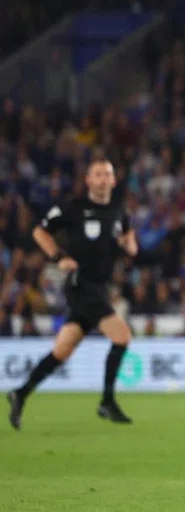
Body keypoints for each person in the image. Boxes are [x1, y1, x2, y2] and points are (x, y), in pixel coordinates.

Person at [7, 157, 138, 430]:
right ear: (88, 180)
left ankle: (20, 393)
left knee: (62, 350)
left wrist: (130, 245)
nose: (102, 179)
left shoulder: (118, 211)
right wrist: (58, 256)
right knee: (122, 336)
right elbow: (40, 232)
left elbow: (129, 238)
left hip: (99, 287)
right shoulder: (74, 208)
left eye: (107, 174)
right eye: (97, 174)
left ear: (113, 181)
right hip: (81, 284)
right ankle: (107, 401)